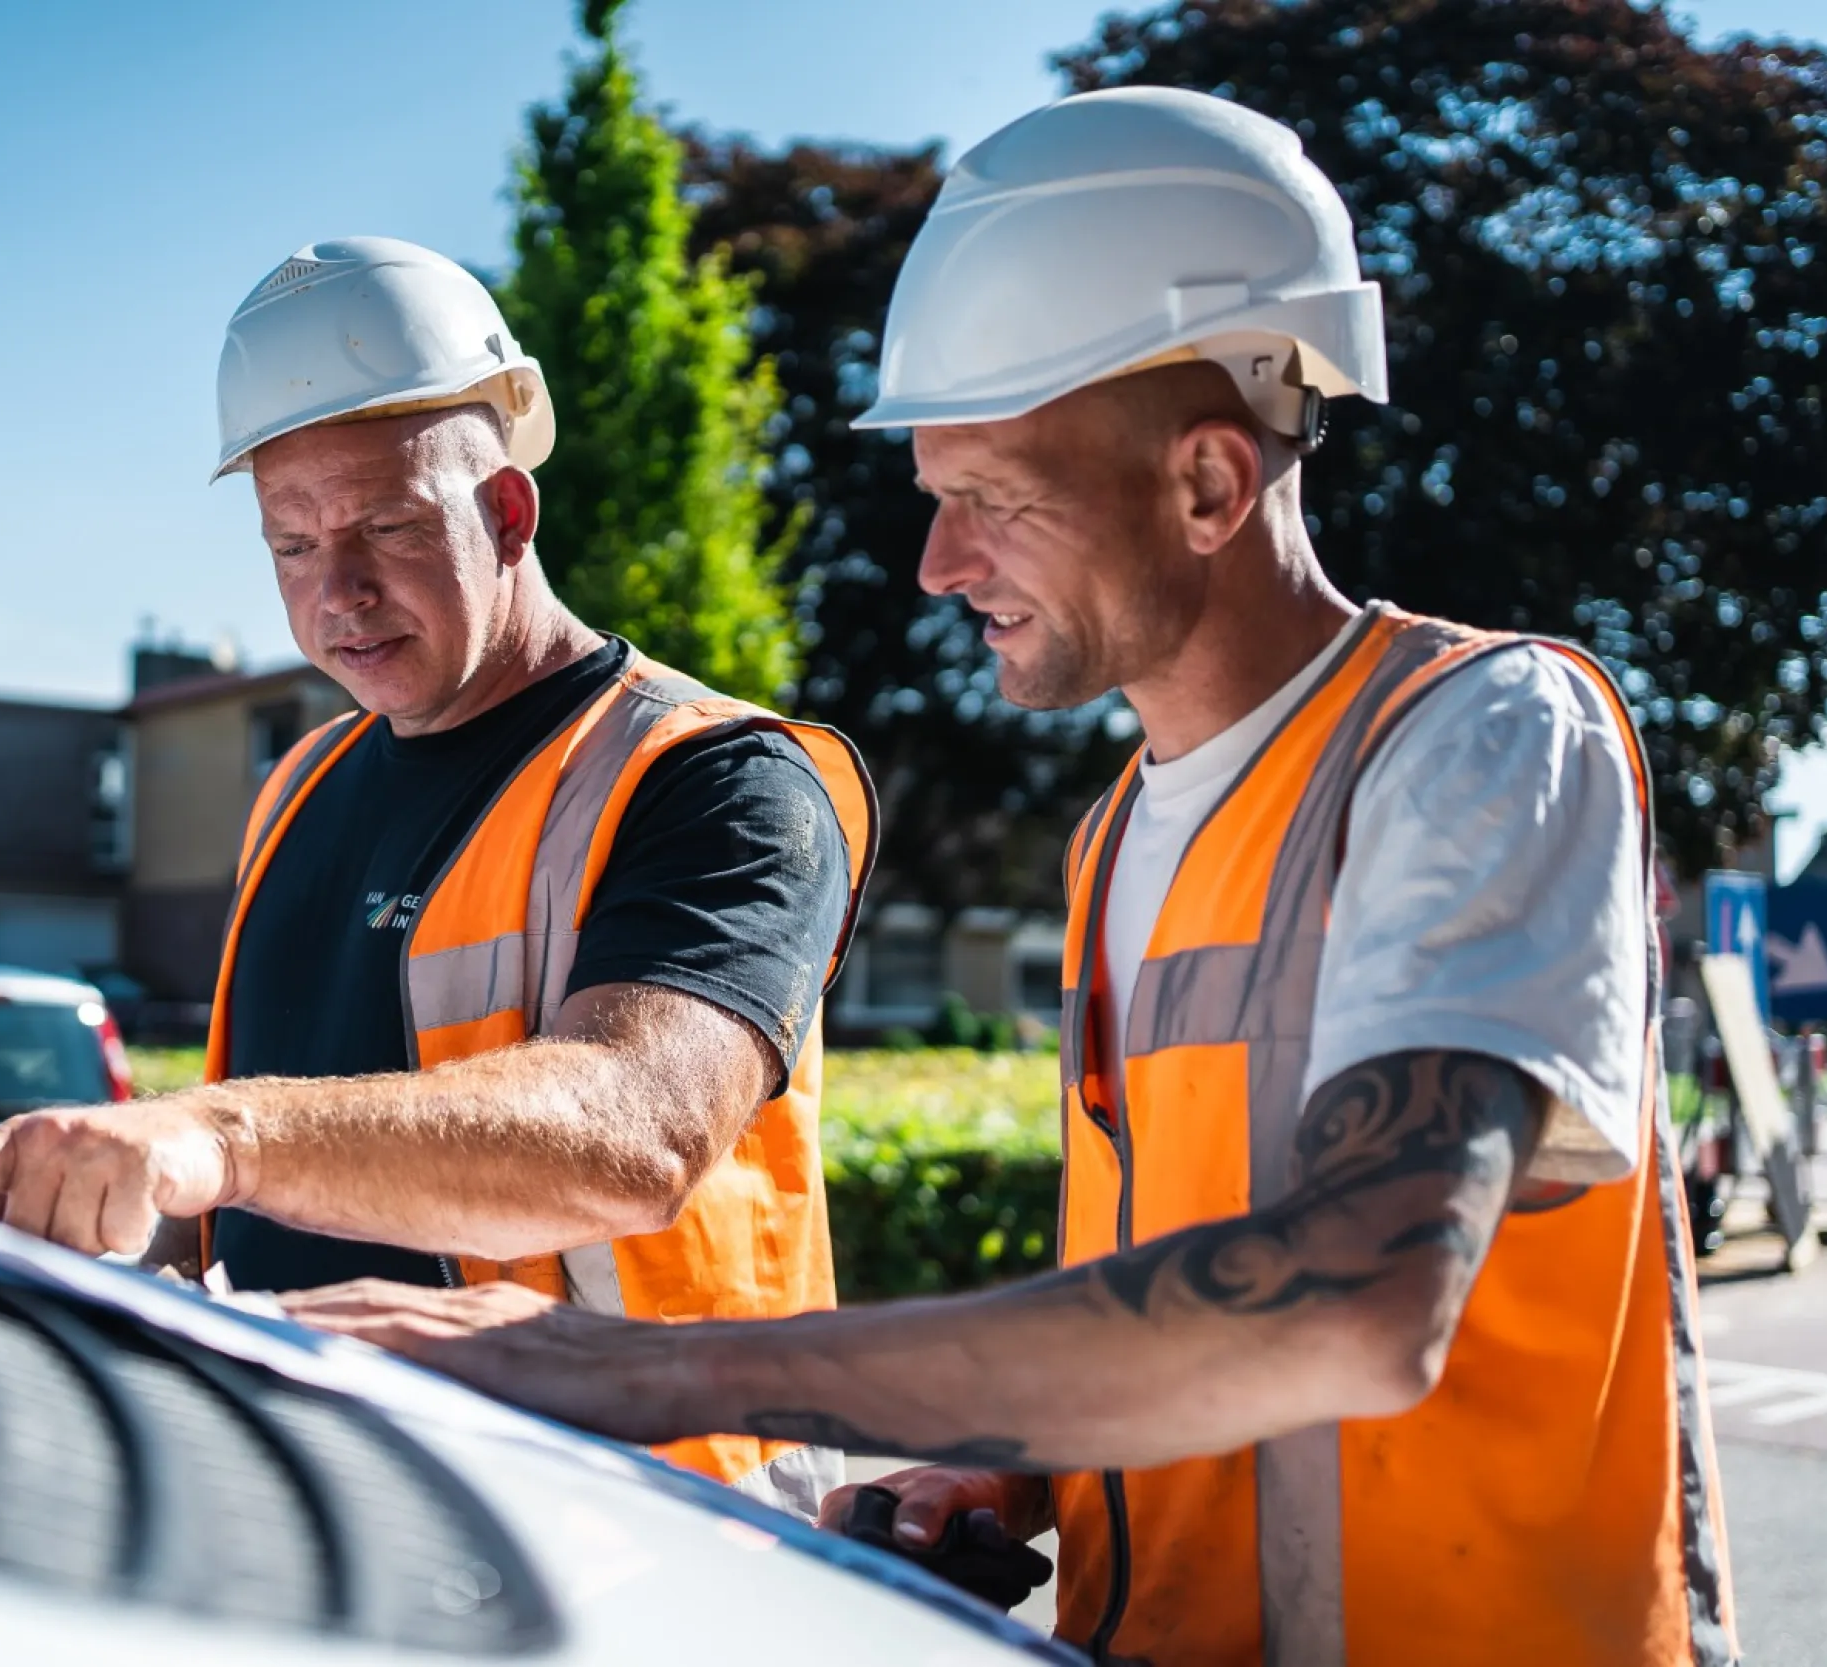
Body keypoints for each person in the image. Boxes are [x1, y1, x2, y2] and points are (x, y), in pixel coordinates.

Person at [283, 92, 1736, 1667]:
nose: (938, 563)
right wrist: (1021, 1464)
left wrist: (635, 1368)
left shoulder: (1483, 735)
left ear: (1207, 484)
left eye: (997, 499)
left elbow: (1357, 1301)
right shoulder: (1122, 833)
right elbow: (1182, 1289)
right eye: (934, 494)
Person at [0, 236, 877, 1516]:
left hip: (657, 1533)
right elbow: (254, 1186)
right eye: (291, 544)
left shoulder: (716, 779)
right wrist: (62, 1183)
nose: (337, 595)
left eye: (383, 527)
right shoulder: (300, 785)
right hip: (341, 1512)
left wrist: (215, 1138)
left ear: (508, 512)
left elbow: (636, 1132)